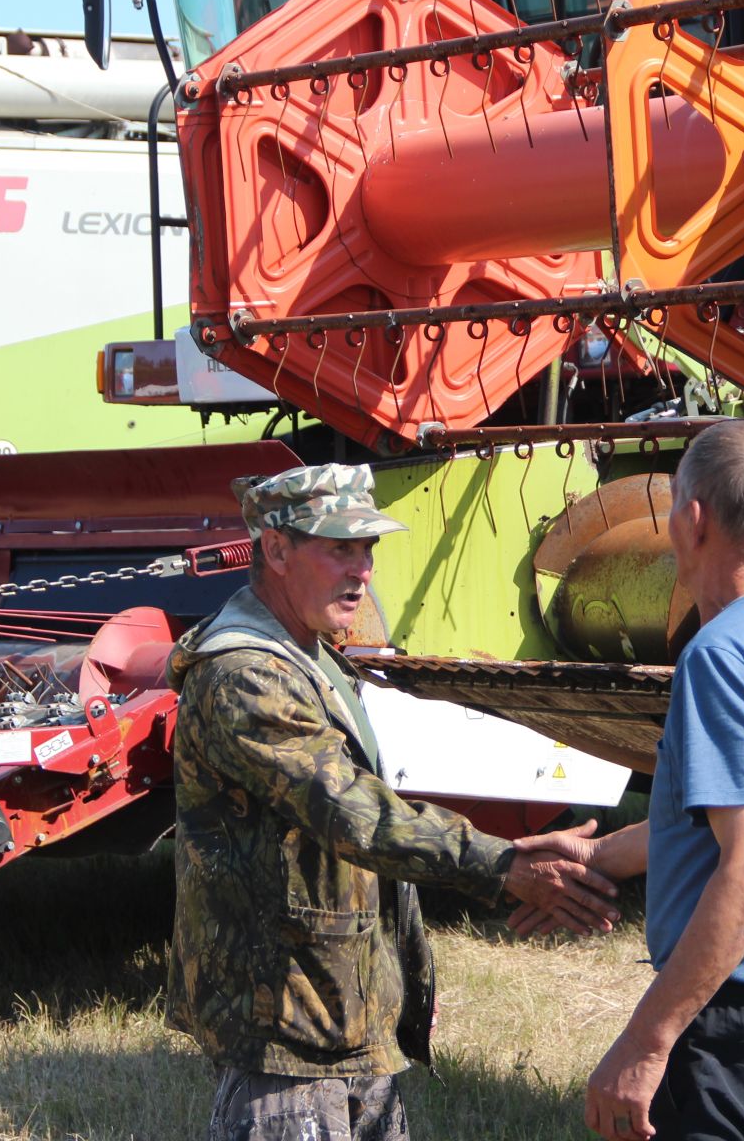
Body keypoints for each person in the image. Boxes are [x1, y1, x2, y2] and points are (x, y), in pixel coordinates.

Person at [166, 462, 621, 1141]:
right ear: (277, 549)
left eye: (367, 549)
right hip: (285, 1022)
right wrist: (501, 865)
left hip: (337, 1005)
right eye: (338, 548)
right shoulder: (247, 677)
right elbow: (354, 813)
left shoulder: (307, 653)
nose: (361, 571)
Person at [517, 419, 744, 1140]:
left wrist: (645, 1042)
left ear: (691, 518)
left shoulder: (723, 656)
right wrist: (597, 859)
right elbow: (738, 820)